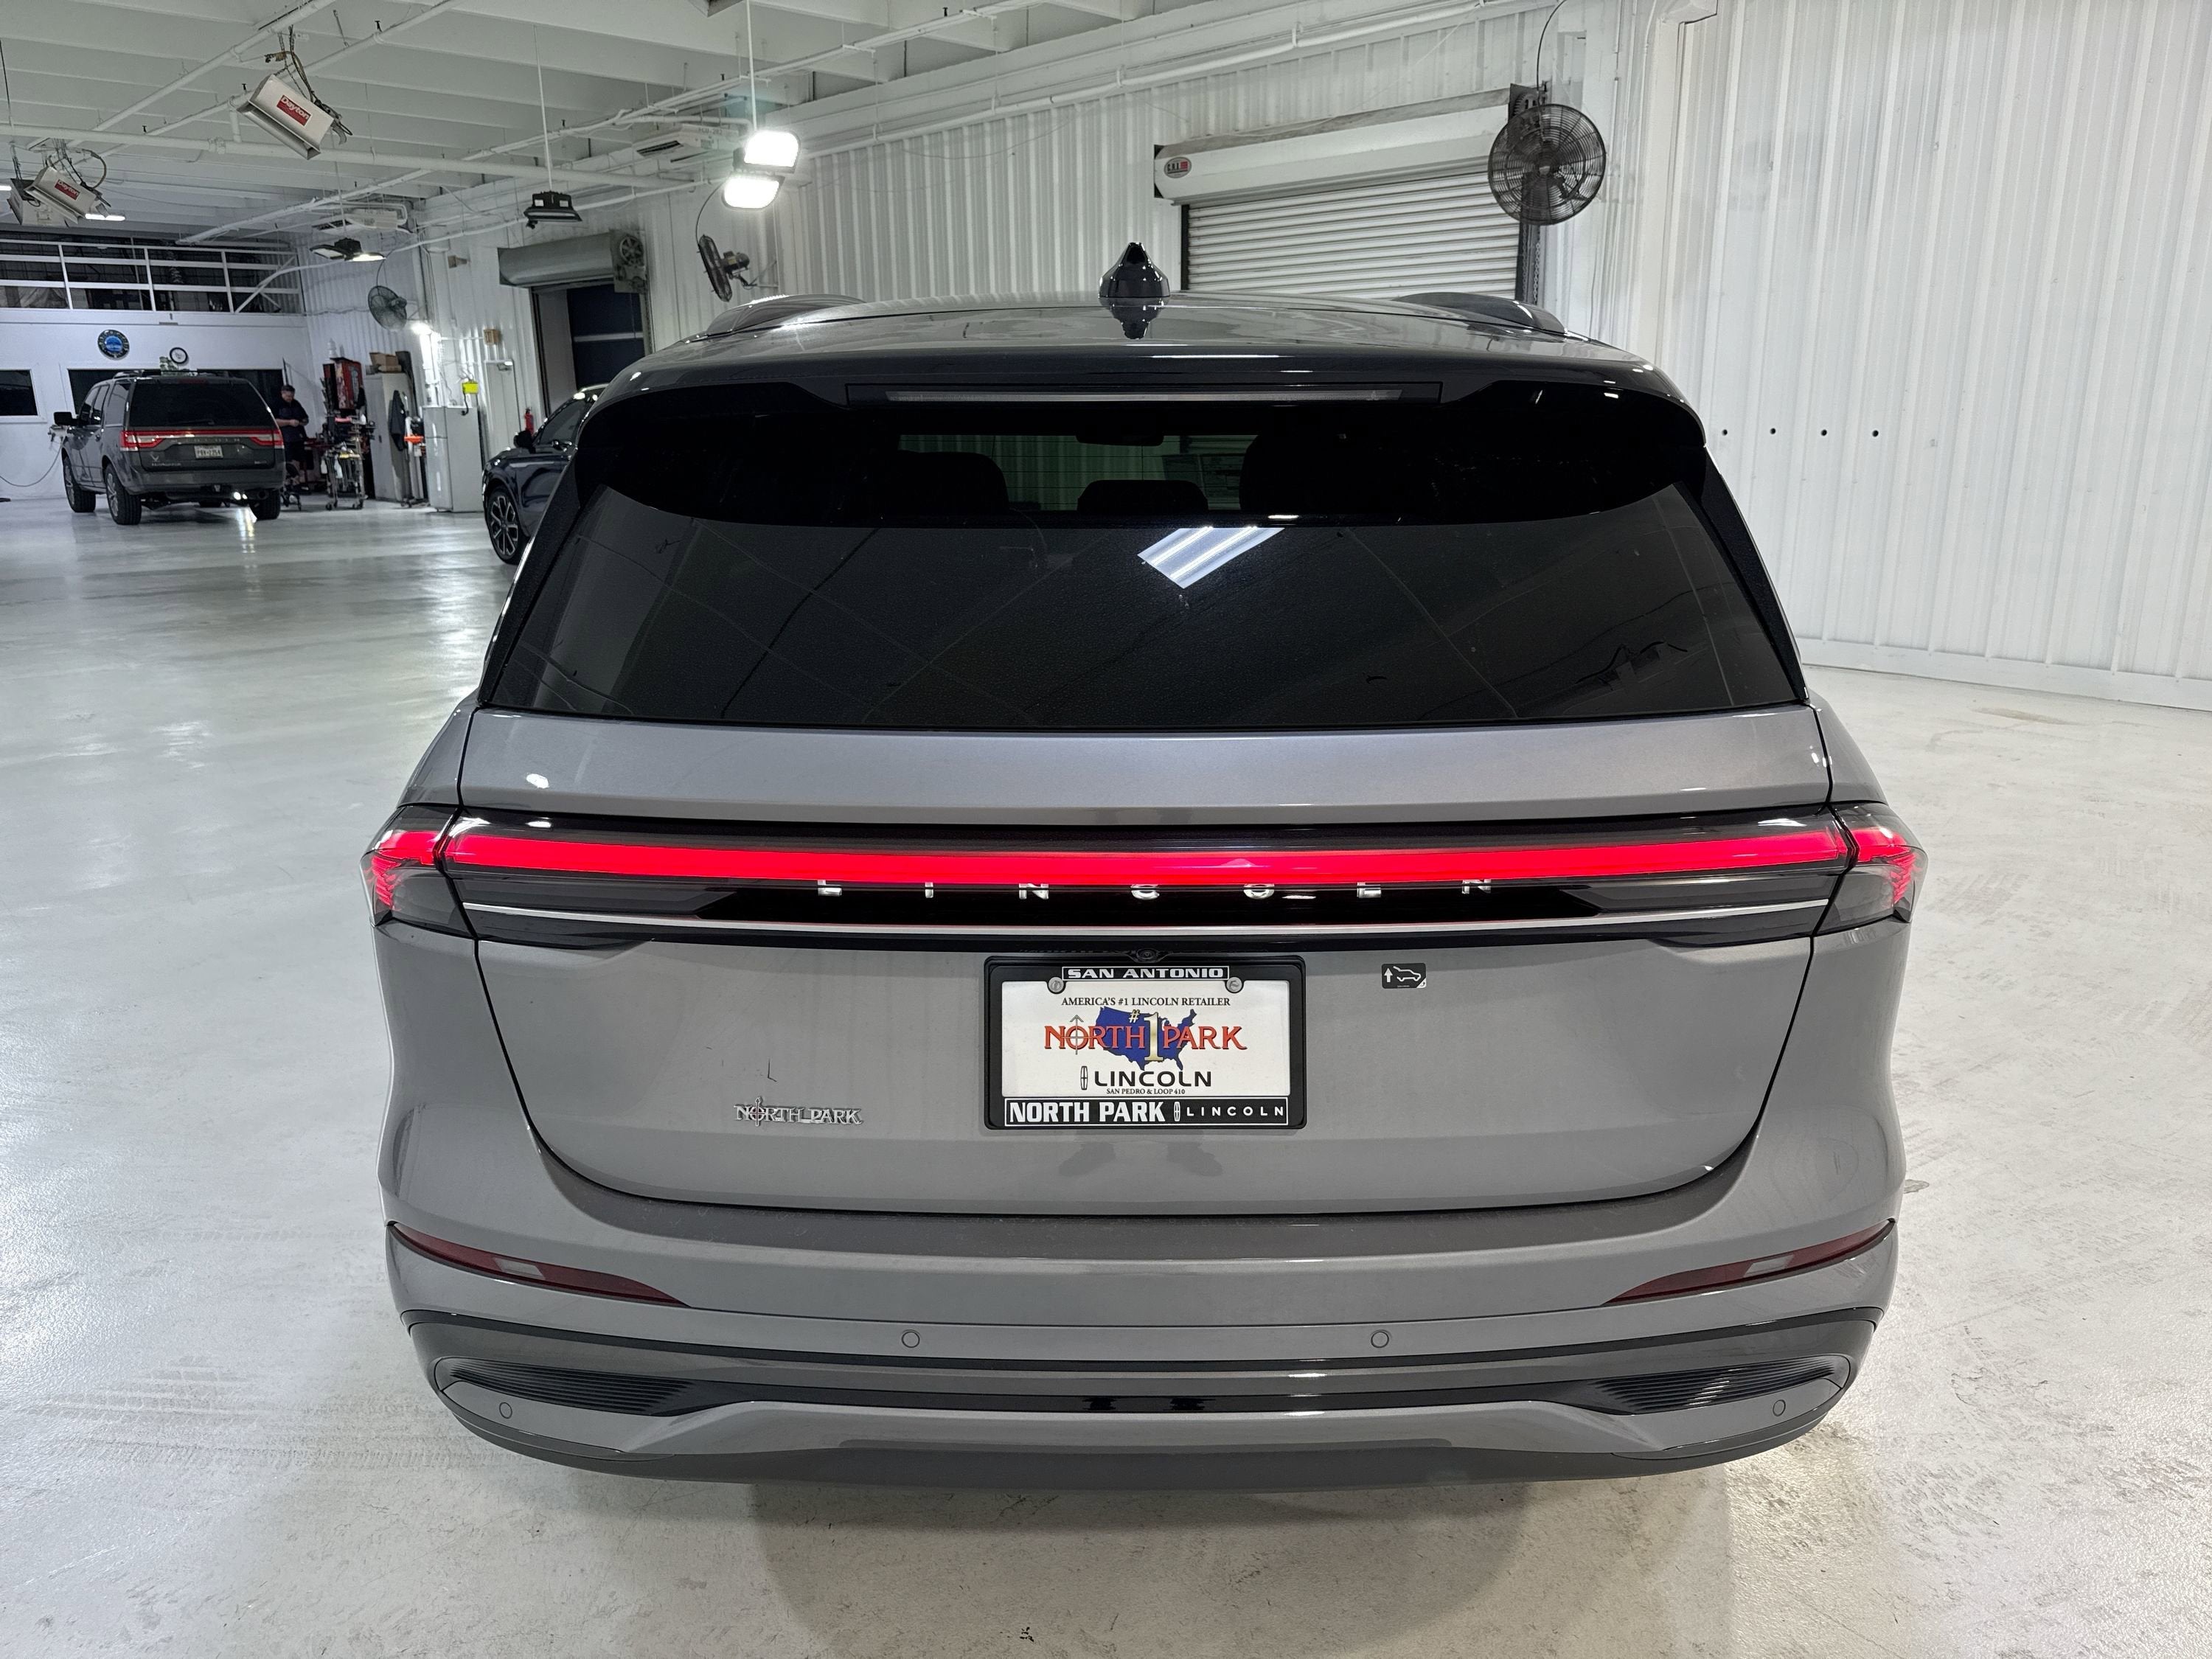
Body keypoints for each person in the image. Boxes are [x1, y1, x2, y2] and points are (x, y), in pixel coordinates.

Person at [273, 384, 312, 490]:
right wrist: (289, 422)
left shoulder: (296, 404)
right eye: (288, 396)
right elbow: (274, 421)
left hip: (298, 437)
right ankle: (286, 482)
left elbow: (305, 419)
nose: (290, 398)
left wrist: (300, 422)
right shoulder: (276, 404)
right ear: (282, 394)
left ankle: (296, 481)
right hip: (284, 438)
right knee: (287, 460)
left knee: (298, 458)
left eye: (292, 396)